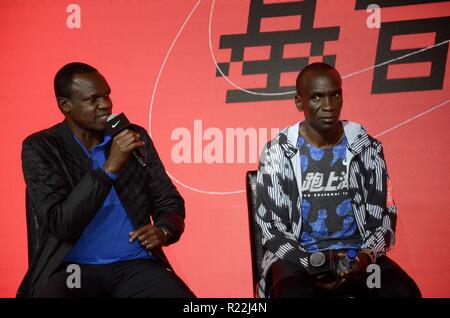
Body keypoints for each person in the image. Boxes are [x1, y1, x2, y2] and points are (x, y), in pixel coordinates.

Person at [17, 62, 195, 298]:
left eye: (107, 95)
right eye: (93, 100)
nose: (106, 105)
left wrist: (164, 229)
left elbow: (168, 200)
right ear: (65, 105)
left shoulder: (132, 136)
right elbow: (61, 223)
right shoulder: (42, 148)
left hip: (135, 265)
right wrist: (111, 166)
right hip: (74, 269)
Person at [255, 62, 421, 298]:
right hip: (301, 263)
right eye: (317, 97)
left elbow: (384, 216)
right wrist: (318, 263)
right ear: (299, 102)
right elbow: (272, 228)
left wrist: (364, 258)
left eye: (335, 94)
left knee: (402, 291)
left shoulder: (367, 148)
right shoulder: (277, 152)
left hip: (358, 262)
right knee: (292, 295)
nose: (329, 106)